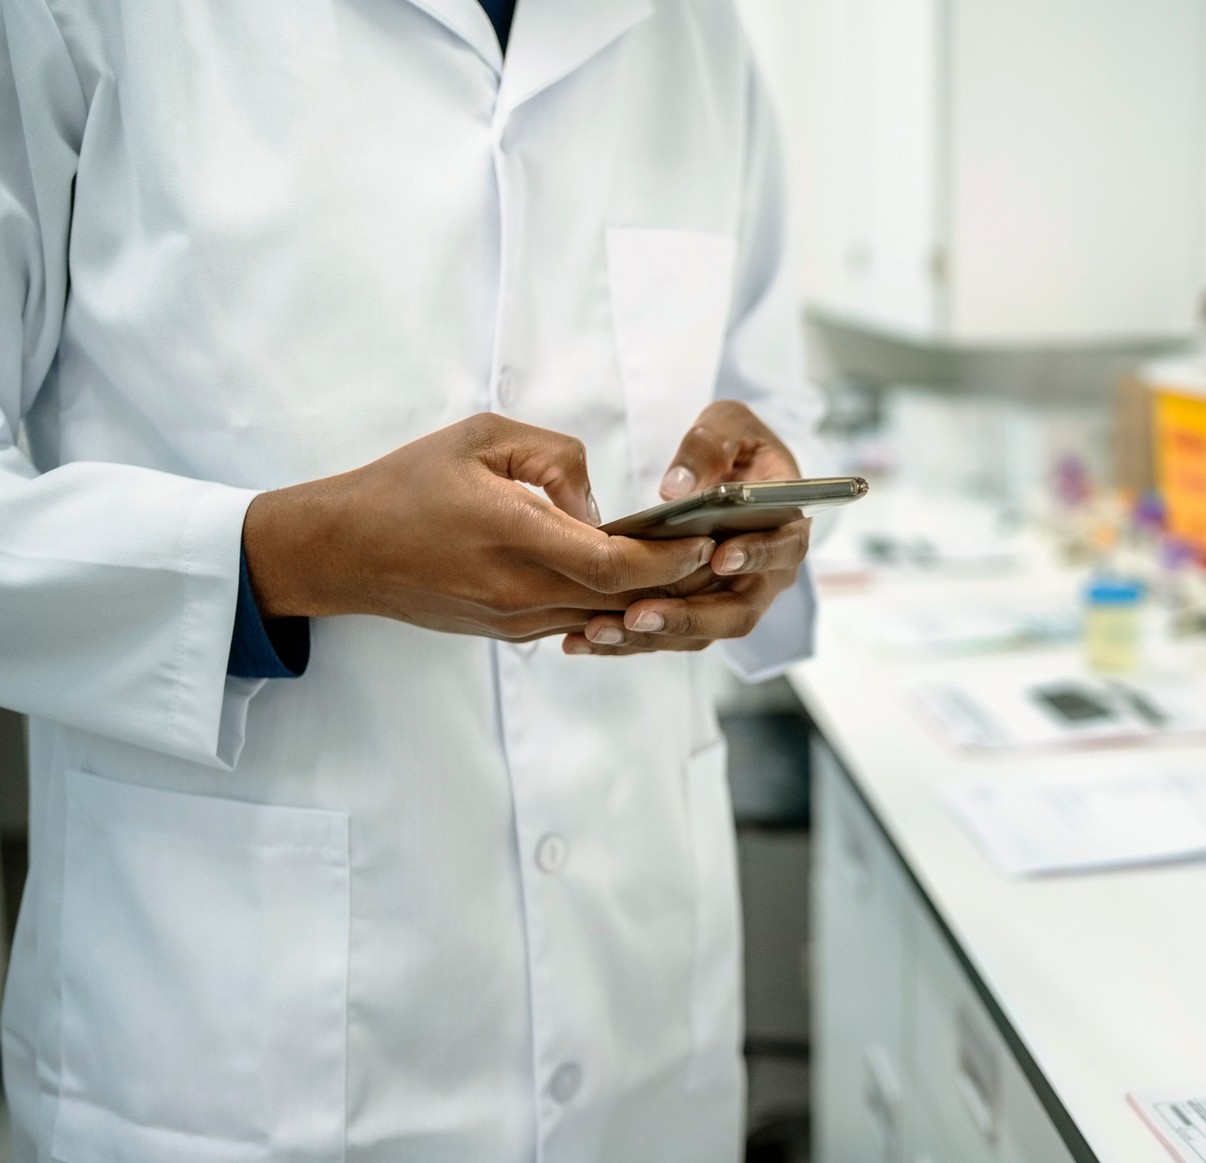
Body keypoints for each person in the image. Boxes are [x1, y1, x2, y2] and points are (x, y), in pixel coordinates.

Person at [0, 0, 824, 1159]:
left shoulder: (696, 30)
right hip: (225, 1048)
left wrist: (763, 513)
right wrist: (300, 553)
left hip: (642, 1031)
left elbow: (762, 386)